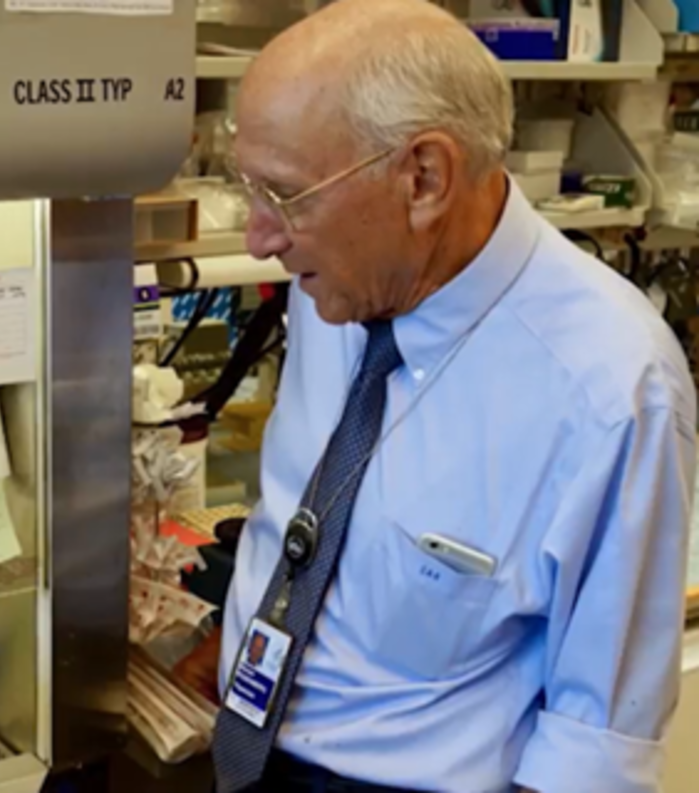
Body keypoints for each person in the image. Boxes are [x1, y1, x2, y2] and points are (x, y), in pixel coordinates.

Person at [174, 1, 697, 791]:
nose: (259, 237)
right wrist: (240, 631)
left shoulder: (610, 387)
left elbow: (597, 742)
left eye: (284, 195)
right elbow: (321, 511)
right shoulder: (347, 281)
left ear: (422, 178)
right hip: (254, 739)